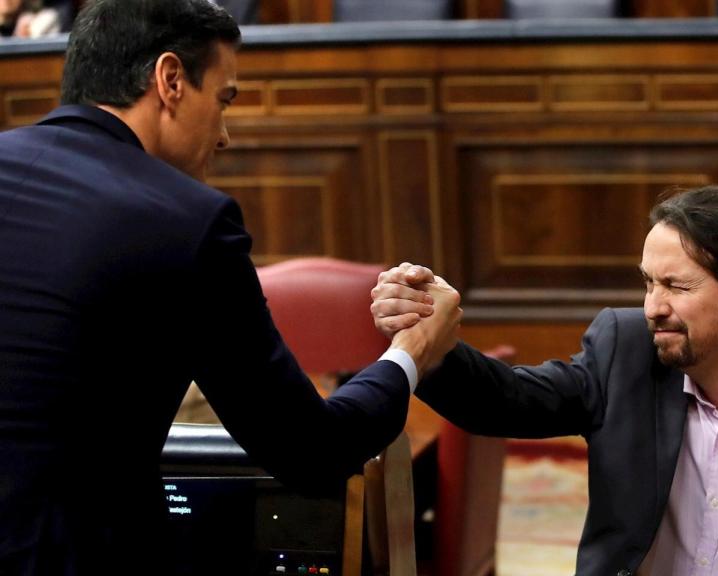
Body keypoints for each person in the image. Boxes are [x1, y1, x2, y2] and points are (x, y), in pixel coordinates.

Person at [0, 0, 461, 573]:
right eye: (223, 101)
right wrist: (410, 355)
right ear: (170, 80)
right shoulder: (183, 219)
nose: (224, 137)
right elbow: (309, 452)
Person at [372, 185, 718, 576]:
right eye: (648, 283)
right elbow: (507, 402)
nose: (652, 307)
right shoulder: (626, 351)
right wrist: (429, 341)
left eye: (677, 287)